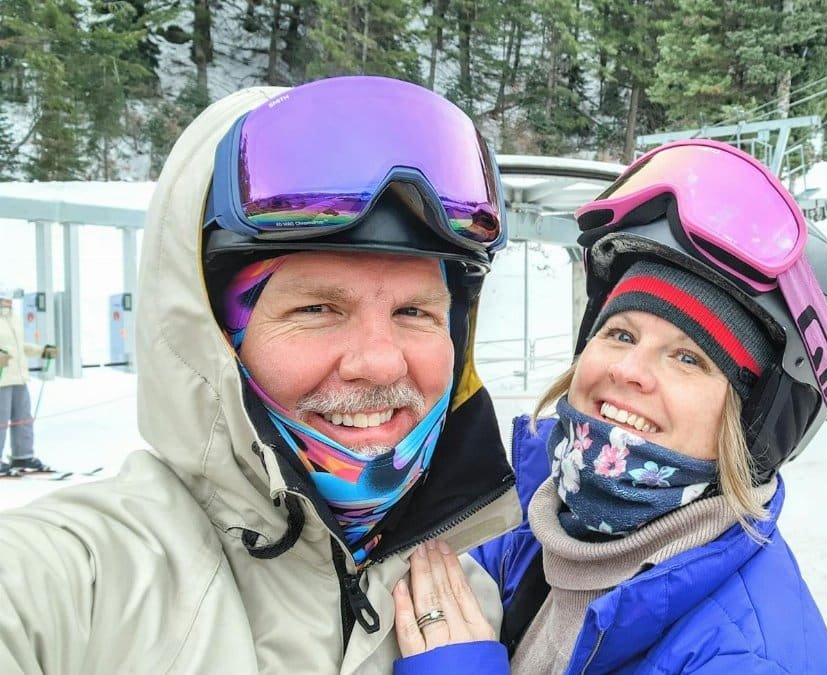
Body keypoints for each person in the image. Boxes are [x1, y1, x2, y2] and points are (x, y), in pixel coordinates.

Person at [0, 76, 524, 672]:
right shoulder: (83, 584)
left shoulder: (462, 601)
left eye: (414, 312)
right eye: (317, 309)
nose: (380, 360)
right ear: (216, 338)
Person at [390, 139, 827, 672]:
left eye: (687, 358)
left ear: (755, 425)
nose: (628, 370)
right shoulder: (540, 526)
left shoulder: (747, 657)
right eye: (621, 334)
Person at [0, 287, 58, 474]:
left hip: (19, 376)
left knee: (23, 418)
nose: (8, 302)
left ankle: (22, 456)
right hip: (1, 379)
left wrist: (41, 351)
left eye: (9, 299)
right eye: (4, 298)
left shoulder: (13, 319)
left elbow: (19, 347)